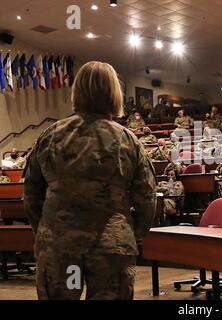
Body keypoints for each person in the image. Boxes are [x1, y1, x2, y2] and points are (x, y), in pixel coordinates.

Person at [23, 61, 156, 300]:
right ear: (114, 93)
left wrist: (46, 230)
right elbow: (146, 199)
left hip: (59, 244)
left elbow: (31, 196)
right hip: (111, 248)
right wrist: (130, 234)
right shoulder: (128, 140)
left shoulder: (51, 136)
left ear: (77, 92)